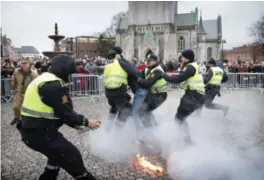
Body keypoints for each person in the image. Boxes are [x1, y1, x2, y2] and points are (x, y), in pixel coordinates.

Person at [16, 55, 101, 180]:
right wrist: (87, 122)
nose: (70, 77)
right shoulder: (54, 85)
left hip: (33, 130)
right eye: (70, 73)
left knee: (56, 156)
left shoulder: (43, 79)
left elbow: (53, 111)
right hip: (40, 133)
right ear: (65, 71)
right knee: (72, 156)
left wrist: (75, 124)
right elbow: (66, 113)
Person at [162, 49, 205, 143]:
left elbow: (178, 78)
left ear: (187, 58)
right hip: (196, 96)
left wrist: (165, 76)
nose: (181, 58)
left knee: (179, 118)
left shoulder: (189, 67)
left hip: (193, 96)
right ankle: (185, 139)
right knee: (180, 117)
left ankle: (187, 141)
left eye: (182, 57)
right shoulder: (193, 66)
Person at [103, 47, 140, 128]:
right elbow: (134, 72)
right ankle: (118, 130)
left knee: (116, 106)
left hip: (109, 92)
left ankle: (108, 126)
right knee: (128, 109)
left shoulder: (108, 63)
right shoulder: (121, 62)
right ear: (118, 54)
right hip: (118, 91)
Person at [133, 54, 168, 130]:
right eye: (147, 61)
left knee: (142, 111)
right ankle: (154, 127)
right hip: (152, 94)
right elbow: (138, 74)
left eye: (149, 61)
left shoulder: (158, 71)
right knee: (145, 110)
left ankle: (149, 130)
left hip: (160, 95)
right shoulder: (147, 69)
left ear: (155, 62)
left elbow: (147, 83)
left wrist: (139, 80)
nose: (147, 62)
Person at [10, 59, 38, 125]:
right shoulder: (17, 71)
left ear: (29, 64)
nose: (23, 65)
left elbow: (36, 84)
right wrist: (12, 87)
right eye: (22, 63)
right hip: (19, 92)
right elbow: (14, 80)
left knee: (29, 108)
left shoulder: (33, 74)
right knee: (16, 107)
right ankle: (17, 117)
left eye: (25, 63)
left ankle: (29, 120)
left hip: (29, 93)